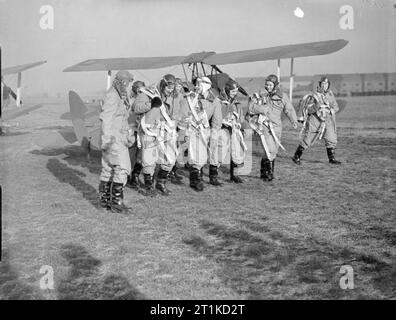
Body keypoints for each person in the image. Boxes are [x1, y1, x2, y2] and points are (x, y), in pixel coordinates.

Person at [132, 74, 181, 196]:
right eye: (169, 88)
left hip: (166, 130)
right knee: (149, 160)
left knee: (170, 158)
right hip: (150, 130)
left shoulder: (173, 97)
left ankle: (161, 183)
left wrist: (174, 123)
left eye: (172, 88)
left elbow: (176, 113)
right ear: (163, 85)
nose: (170, 91)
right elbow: (136, 108)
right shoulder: (148, 93)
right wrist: (151, 104)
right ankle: (149, 186)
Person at [247, 74, 298, 181]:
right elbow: (251, 109)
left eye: (270, 85)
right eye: (267, 85)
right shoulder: (260, 95)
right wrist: (262, 109)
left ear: (275, 85)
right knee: (269, 149)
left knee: (274, 151)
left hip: (277, 127)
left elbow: (289, 110)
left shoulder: (282, 97)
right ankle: (267, 173)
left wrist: (294, 120)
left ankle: (266, 172)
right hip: (264, 126)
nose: (268, 87)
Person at [176, 76, 223, 191]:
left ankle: (198, 177)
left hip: (204, 131)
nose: (197, 86)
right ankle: (195, 180)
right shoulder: (189, 98)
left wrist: (215, 132)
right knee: (192, 156)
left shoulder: (215, 101)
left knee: (202, 156)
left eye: (200, 84)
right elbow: (182, 114)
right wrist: (182, 130)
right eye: (197, 84)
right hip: (189, 129)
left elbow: (217, 119)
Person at [98, 70, 135, 213]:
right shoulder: (113, 95)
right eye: (128, 82)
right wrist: (107, 140)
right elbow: (106, 118)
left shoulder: (119, 93)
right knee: (123, 167)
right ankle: (116, 202)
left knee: (108, 168)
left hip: (117, 135)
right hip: (113, 137)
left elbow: (122, 117)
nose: (129, 86)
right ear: (123, 82)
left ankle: (105, 201)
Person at [292, 76, 341, 165]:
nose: (324, 86)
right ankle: (296, 156)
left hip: (328, 120)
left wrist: (331, 110)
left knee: (331, 138)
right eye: (322, 83)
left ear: (328, 85)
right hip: (315, 120)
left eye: (326, 84)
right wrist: (317, 107)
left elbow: (336, 106)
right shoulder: (313, 96)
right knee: (308, 139)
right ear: (319, 84)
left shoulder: (330, 94)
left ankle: (332, 159)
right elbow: (308, 109)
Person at [218, 80, 247, 183]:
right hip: (222, 129)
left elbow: (241, 116)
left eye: (236, 91)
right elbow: (217, 115)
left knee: (236, 152)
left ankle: (234, 175)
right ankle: (213, 176)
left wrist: (240, 123)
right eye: (233, 91)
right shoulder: (219, 101)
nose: (235, 93)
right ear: (227, 90)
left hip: (235, 130)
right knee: (219, 153)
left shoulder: (237, 103)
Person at [126, 80, 145, 189]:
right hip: (131, 129)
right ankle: (127, 176)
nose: (140, 90)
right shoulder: (129, 100)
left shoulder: (145, 99)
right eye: (138, 88)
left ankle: (135, 176)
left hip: (142, 130)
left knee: (141, 155)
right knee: (131, 155)